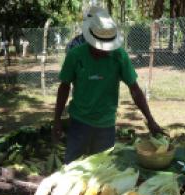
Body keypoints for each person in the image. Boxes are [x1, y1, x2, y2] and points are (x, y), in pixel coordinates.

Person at [53, 7, 164, 164]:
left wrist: (150, 120)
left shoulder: (119, 56)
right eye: (100, 46)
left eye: (107, 46)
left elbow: (135, 90)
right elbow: (64, 87)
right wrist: (57, 119)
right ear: (90, 39)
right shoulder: (75, 56)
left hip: (106, 125)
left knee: (102, 170)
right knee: (71, 167)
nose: (104, 51)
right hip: (79, 122)